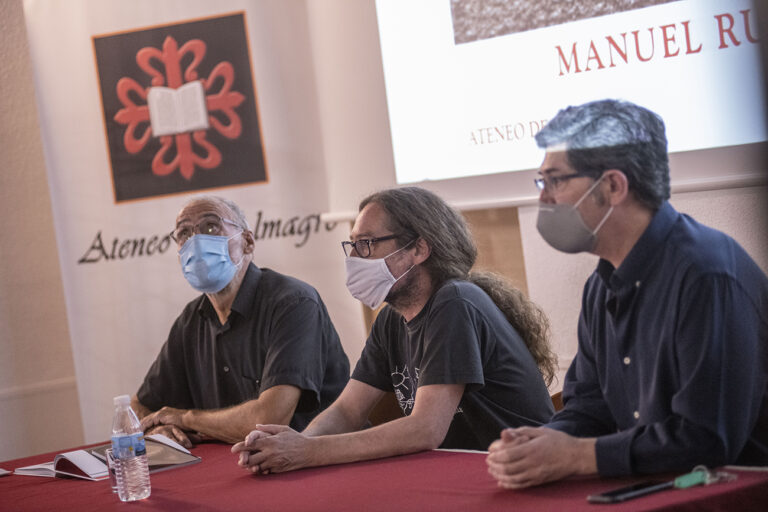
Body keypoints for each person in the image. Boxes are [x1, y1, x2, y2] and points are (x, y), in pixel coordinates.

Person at [486, 99, 768, 489]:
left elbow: (706, 439)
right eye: (541, 182)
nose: (543, 199)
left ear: (614, 186)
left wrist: (575, 455)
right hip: (649, 488)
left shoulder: (707, 275)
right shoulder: (600, 285)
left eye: (556, 180)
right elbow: (590, 405)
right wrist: (543, 441)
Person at [231, 186, 557, 474]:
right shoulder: (391, 318)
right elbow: (348, 410)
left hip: (521, 475)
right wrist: (297, 441)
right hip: (460, 474)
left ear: (418, 249)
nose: (355, 256)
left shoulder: (455, 302)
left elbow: (425, 429)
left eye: (367, 243)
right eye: (353, 244)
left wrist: (306, 452)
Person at [133, 195, 350, 447]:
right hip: (239, 465)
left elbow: (269, 420)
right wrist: (159, 428)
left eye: (211, 227)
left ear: (247, 242)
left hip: (316, 463)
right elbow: (140, 406)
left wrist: (186, 418)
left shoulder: (294, 303)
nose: (196, 242)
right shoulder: (191, 320)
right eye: (184, 233)